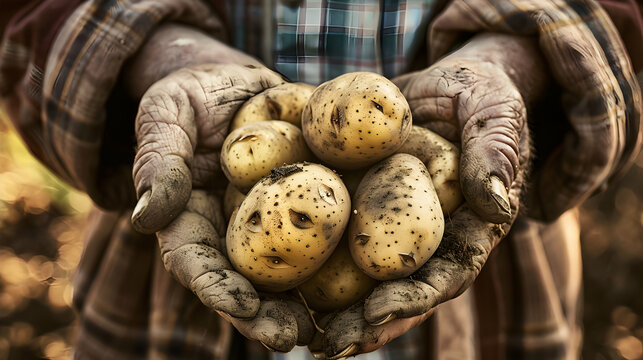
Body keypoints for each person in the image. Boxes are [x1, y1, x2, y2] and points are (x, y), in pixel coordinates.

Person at [1, 0, 642, 359]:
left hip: (494, 295)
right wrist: (157, 53)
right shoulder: (268, 166)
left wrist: (520, 58)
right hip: (165, 295)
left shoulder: (402, 165)